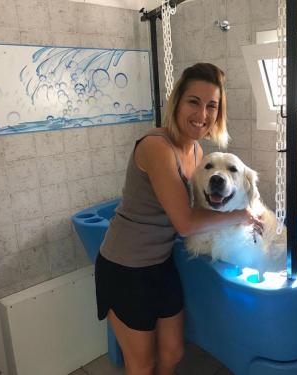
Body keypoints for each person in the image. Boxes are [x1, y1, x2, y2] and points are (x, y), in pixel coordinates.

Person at [95, 63, 261, 375]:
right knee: (141, 365)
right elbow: (186, 222)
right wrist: (241, 215)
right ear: (177, 103)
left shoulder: (198, 152)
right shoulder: (157, 147)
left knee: (172, 353)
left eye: (212, 105)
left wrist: (247, 222)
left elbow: (206, 210)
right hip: (124, 267)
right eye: (194, 102)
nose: (202, 114)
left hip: (160, 263)